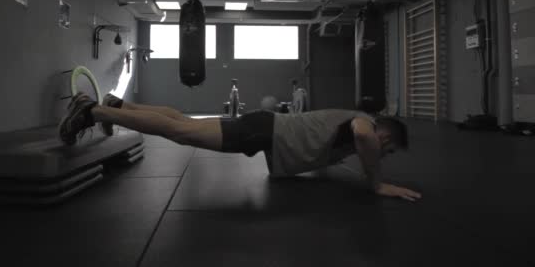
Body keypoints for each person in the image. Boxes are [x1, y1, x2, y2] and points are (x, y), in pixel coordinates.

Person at [59, 92, 422, 202]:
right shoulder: (365, 123)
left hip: (268, 132)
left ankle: (118, 106)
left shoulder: (352, 125)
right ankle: (92, 111)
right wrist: (376, 183)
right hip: (266, 133)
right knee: (182, 133)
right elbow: (362, 136)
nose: (381, 154)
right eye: (386, 149)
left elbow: (340, 144)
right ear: (384, 135)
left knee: (184, 123)